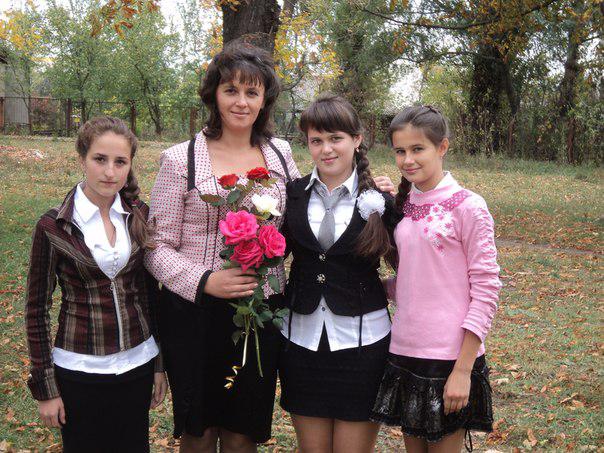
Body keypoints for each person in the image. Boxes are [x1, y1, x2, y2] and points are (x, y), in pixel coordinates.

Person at [144, 40, 301, 453]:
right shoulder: (180, 159)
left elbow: (303, 215)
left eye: (252, 92)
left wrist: (367, 188)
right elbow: (155, 246)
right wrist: (205, 280)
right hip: (195, 314)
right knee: (199, 430)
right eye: (231, 90)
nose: (241, 102)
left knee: (242, 431)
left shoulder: (280, 155)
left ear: (265, 98)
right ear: (214, 94)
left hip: (259, 310)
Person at [24, 116, 167, 453]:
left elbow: (150, 295)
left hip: (138, 364)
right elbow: (36, 310)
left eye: (120, 162)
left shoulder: (139, 215)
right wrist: (46, 388)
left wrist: (159, 364)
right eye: (100, 159)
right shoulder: (54, 226)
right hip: (79, 368)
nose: (110, 172)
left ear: (130, 165)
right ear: (82, 159)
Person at [370, 105, 501, 452]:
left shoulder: (468, 206)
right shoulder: (402, 206)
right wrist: (369, 289)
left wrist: (463, 369)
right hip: (404, 350)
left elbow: (486, 289)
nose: (407, 159)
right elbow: (416, 279)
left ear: (442, 147)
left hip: (450, 357)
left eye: (418, 149)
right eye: (400, 151)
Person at [278, 94, 401, 453]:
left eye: (336, 138)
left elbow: (409, 264)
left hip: (363, 345)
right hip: (301, 343)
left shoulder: (380, 200)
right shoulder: (292, 194)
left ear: (356, 139)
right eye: (316, 140)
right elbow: (274, 256)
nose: (326, 149)